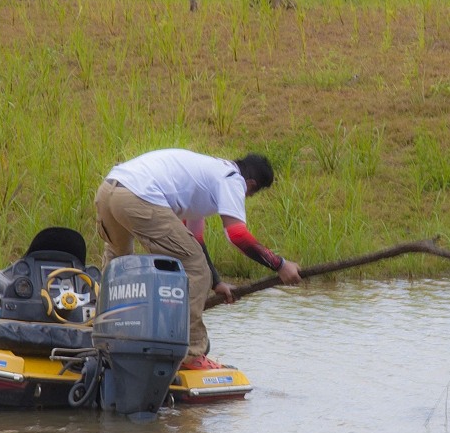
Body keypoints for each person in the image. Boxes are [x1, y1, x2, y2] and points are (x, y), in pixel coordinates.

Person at [94, 148, 302, 370]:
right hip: (137, 196)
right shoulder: (232, 179)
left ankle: (104, 329)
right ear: (251, 185)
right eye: (250, 195)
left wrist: (216, 283)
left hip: (109, 190)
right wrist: (279, 265)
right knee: (194, 269)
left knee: (118, 261)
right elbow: (238, 236)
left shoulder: (208, 175)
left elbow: (197, 241)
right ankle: (192, 354)